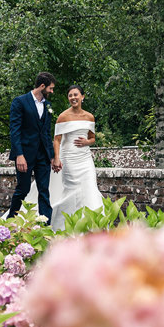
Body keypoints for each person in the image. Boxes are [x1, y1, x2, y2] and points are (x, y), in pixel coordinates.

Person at [50, 84, 103, 231]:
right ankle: (65, 226)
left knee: (90, 188)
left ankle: (93, 227)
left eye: (76, 95)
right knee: (73, 191)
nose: (73, 98)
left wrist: (87, 142)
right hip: (69, 158)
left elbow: (92, 138)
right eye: (70, 95)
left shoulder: (89, 117)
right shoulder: (63, 116)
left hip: (85, 159)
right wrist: (56, 158)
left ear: (82, 96)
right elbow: (57, 140)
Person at [7, 72, 58, 222]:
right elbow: (15, 131)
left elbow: (46, 133)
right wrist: (19, 155)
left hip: (43, 155)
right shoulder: (20, 102)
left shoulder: (47, 105)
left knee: (44, 191)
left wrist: (53, 157)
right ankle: (10, 221)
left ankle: (45, 227)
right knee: (23, 189)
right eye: (51, 88)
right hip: (25, 155)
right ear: (42, 86)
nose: (52, 92)